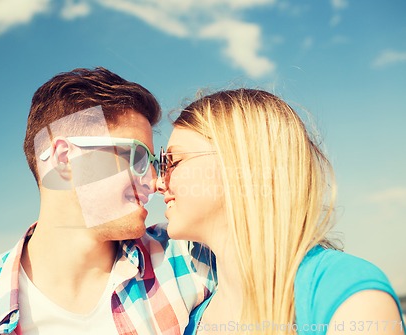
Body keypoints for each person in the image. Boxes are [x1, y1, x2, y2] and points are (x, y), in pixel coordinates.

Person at [0, 67, 214, 335]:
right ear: (64, 159)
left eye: (154, 162)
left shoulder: (190, 260)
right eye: (137, 158)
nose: (156, 181)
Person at [158, 88, 405, 335]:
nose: (160, 183)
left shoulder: (347, 295)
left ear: (240, 163)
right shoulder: (190, 323)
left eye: (173, 162)